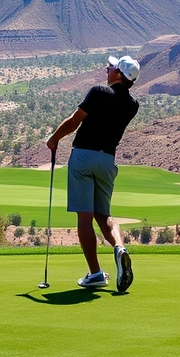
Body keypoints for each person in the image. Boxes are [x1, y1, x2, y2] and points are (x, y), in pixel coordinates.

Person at [46, 55, 140, 292]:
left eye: (111, 67)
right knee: (104, 216)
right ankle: (119, 248)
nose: (107, 69)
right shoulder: (132, 105)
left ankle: (96, 273)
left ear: (118, 74)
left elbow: (73, 122)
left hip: (83, 158)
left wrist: (54, 138)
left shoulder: (98, 92)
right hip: (107, 161)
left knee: (85, 217)